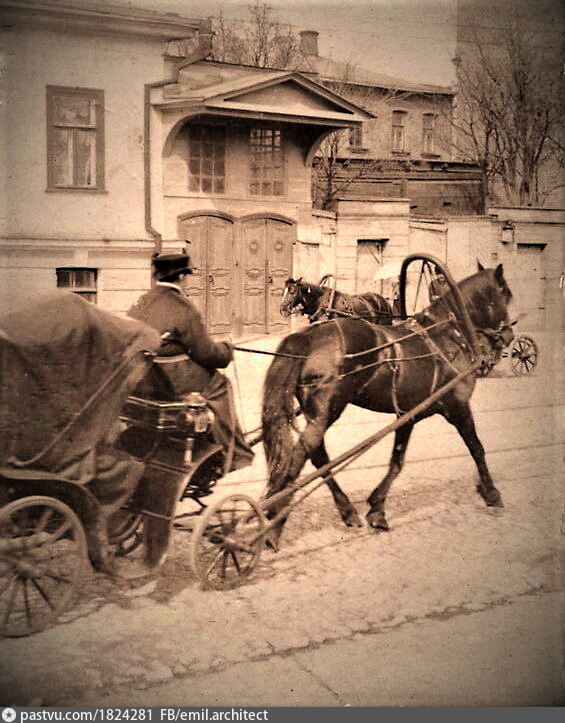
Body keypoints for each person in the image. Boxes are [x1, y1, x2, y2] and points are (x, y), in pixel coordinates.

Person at [128, 251, 254, 475]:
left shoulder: (141, 301)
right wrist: (226, 350)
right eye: (187, 276)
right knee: (220, 385)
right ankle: (233, 453)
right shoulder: (183, 308)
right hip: (173, 378)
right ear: (181, 277)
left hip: (145, 377)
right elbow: (206, 353)